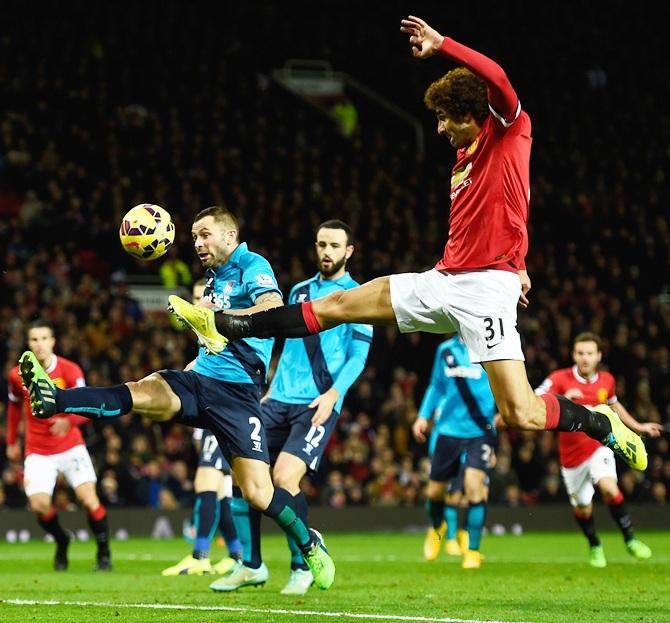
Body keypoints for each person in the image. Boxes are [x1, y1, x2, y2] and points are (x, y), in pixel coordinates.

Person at [166, 15, 647, 473]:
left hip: (485, 292)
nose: (438, 128)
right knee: (338, 304)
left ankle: (596, 422)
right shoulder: (464, 157)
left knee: (520, 413)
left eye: (442, 118)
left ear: (466, 113)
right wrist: (519, 260)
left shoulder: (508, 131)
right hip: (443, 279)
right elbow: (505, 215)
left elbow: (497, 76)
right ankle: (229, 323)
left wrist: (444, 47)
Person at [18, 206, 335, 592]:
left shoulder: (252, 264)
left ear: (229, 237)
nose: (197, 243)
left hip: (238, 397)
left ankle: (308, 543)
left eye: (205, 235)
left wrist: (217, 315)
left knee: (258, 493)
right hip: (200, 382)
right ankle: (56, 399)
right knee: (142, 390)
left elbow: (272, 309)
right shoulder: (214, 277)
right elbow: (213, 344)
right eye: (194, 236)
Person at [214, 219, 372, 595]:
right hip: (277, 399)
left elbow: (358, 356)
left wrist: (334, 394)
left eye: (334, 245)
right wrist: (269, 388)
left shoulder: (358, 294)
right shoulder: (300, 290)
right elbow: (285, 345)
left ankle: (301, 563)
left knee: (284, 478)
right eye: (321, 244)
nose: (326, 252)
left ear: (348, 251)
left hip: (317, 402)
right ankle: (251, 565)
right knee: (244, 473)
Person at [536, 332, 661, 567]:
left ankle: (630, 539)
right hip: (571, 458)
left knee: (609, 487)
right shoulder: (560, 378)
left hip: (598, 447)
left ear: (598, 355)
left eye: (590, 353)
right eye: (581, 353)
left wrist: (638, 427)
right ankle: (594, 543)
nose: (585, 358)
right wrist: (561, 397)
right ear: (574, 355)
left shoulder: (607, 380)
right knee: (583, 508)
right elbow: (534, 397)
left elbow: (615, 407)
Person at [6, 320, 111, 571]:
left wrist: (69, 421)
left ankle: (104, 554)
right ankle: (62, 540)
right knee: (40, 505)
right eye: (34, 340)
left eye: (44, 338)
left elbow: (90, 405)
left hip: (70, 444)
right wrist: (11, 441)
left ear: (53, 341)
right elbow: (13, 407)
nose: (39, 344)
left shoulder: (70, 370)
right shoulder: (16, 375)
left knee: (88, 498)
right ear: (28, 344)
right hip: (38, 449)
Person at [161, 279, 242, 577]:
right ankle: (237, 555)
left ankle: (200, 556)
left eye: (201, 297)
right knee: (221, 492)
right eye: (194, 298)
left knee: (205, 483)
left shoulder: (219, 331)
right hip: (218, 415)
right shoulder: (202, 342)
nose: (197, 304)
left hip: (222, 412)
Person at [413, 335, 496, 569]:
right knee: (435, 493)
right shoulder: (445, 350)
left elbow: (504, 384)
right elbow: (436, 386)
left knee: (474, 487)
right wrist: (423, 416)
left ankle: (473, 551)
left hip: (480, 430)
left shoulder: (490, 347)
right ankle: (437, 527)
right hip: (447, 431)